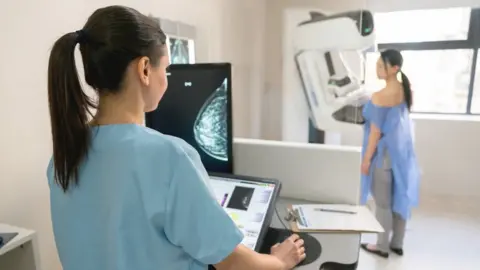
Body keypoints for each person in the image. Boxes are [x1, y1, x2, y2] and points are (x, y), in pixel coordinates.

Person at [46, 5, 305, 270]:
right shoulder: (168, 157)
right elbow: (232, 263)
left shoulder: (62, 159)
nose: (166, 80)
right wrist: (279, 261)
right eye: (166, 69)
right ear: (145, 69)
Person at [359, 49, 420, 258]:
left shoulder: (380, 96)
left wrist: (366, 160)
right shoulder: (405, 90)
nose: (377, 69)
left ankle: (382, 246)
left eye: (380, 66)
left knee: (383, 203)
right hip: (403, 155)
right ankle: (397, 243)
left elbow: (375, 133)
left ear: (394, 68)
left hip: (384, 156)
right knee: (400, 197)